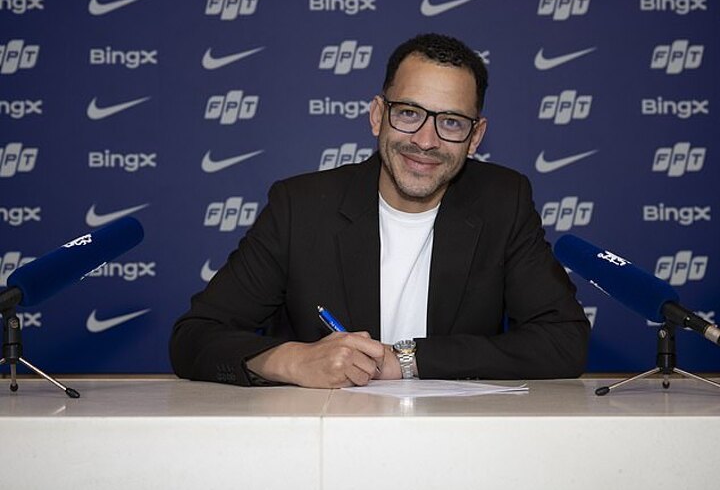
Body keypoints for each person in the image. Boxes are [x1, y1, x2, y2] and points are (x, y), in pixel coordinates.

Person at [170, 33, 591, 388]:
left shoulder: (504, 201)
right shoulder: (300, 207)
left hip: (456, 441)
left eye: (451, 122)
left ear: (475, 136)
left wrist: (406, 359)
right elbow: (194, 337)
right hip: (322, 440)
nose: (425, 141)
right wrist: (292, 361)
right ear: (377, 116)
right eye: (408, 113)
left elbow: (564, 340)